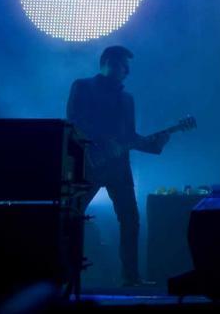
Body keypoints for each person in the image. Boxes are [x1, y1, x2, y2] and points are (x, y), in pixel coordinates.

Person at [67, 46, 169, 286]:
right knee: (71, 216)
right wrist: (102, 142)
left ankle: (131, 277)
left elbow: (130, 136)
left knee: (130, 219)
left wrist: (157, 143)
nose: (128, 72)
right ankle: (66, 274)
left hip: (119, 169)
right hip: (88, 164)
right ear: (108, 63)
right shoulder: (82, 86)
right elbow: (74, 122)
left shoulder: (127, 99)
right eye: (124, 66)